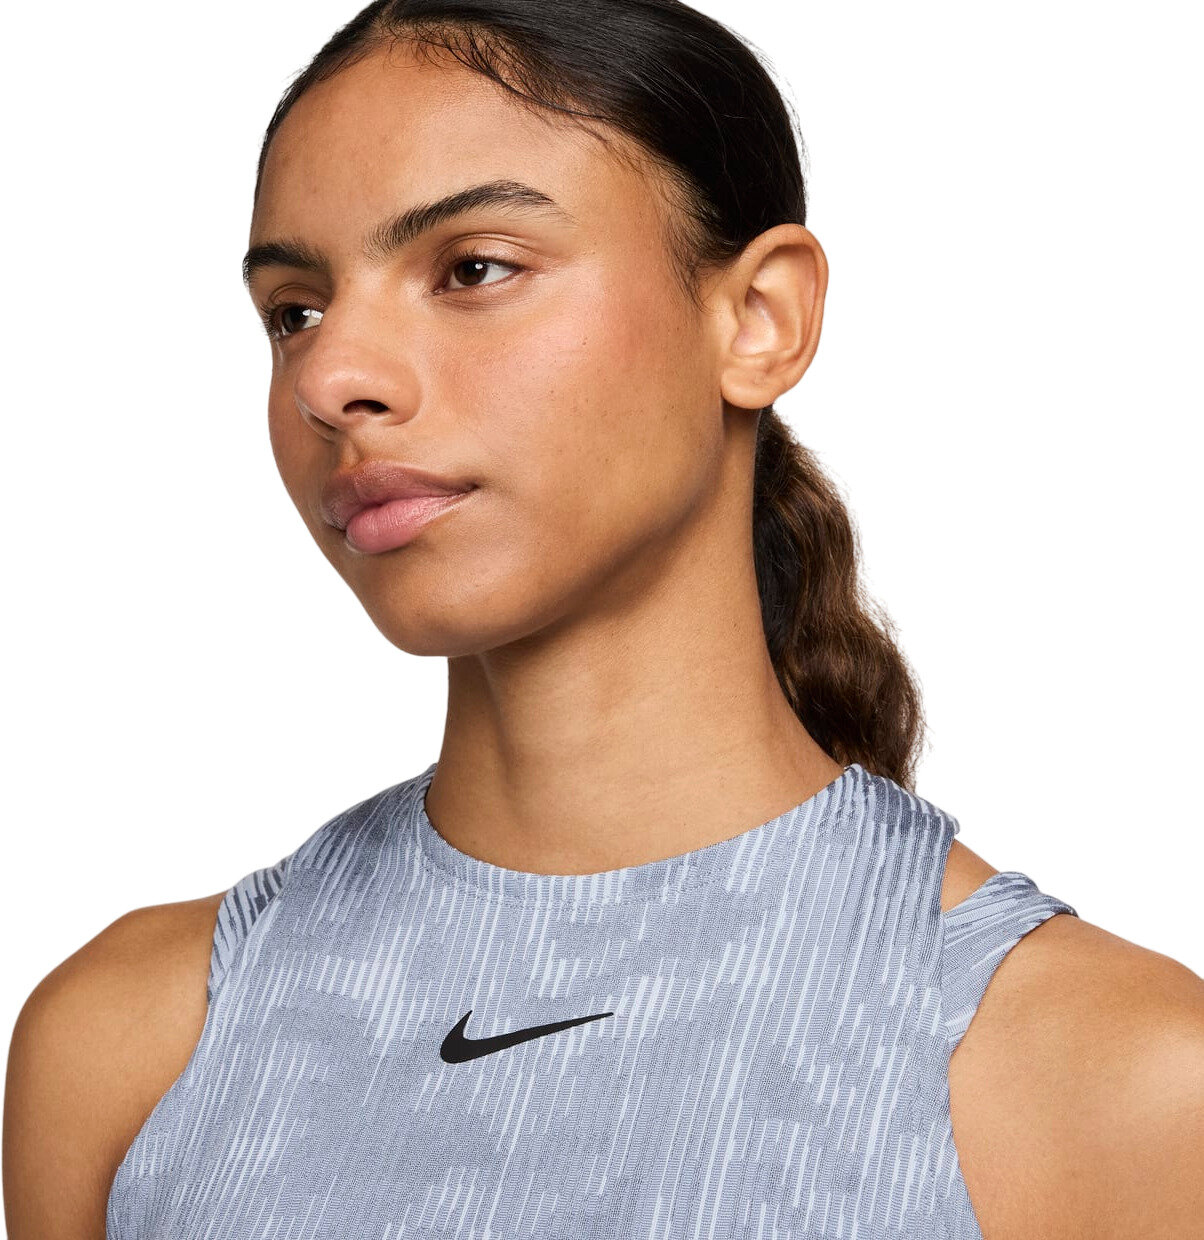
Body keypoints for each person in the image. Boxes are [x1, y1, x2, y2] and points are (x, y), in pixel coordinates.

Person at [5, 1, 1202, 1236]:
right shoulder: (127, 1043)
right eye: (294, 310)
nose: (331, 376)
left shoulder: (1115, 1087)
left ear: (759, 318)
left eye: (474, 268)